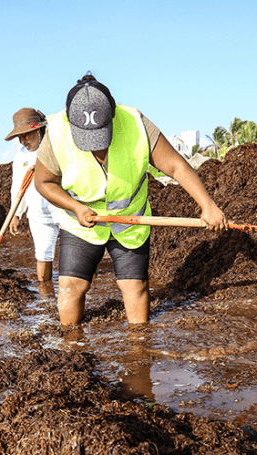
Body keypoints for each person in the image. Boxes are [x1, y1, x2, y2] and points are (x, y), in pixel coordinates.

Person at [35, 73, 227, 326]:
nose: (95, 147)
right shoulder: (57, 131)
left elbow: (176, 167)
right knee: (71, 287)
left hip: (130, 223)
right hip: (80, 225)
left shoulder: (137, 124)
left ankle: (140, 349)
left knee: (135, 286)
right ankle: (71, 343)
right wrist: (75, 207)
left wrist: (208, 205)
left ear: (113, 115)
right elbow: (43, 182)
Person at [5, 107, 64, 284]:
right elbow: (17, 187)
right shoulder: (20, 157)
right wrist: (15, 214)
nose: (22, 141)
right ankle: (45, 300)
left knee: (78, 255)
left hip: (63, 210)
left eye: (26, 135)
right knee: (43, 255)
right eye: (19, 137)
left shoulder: (57, 146)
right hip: (38, 214)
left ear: (38, 130)